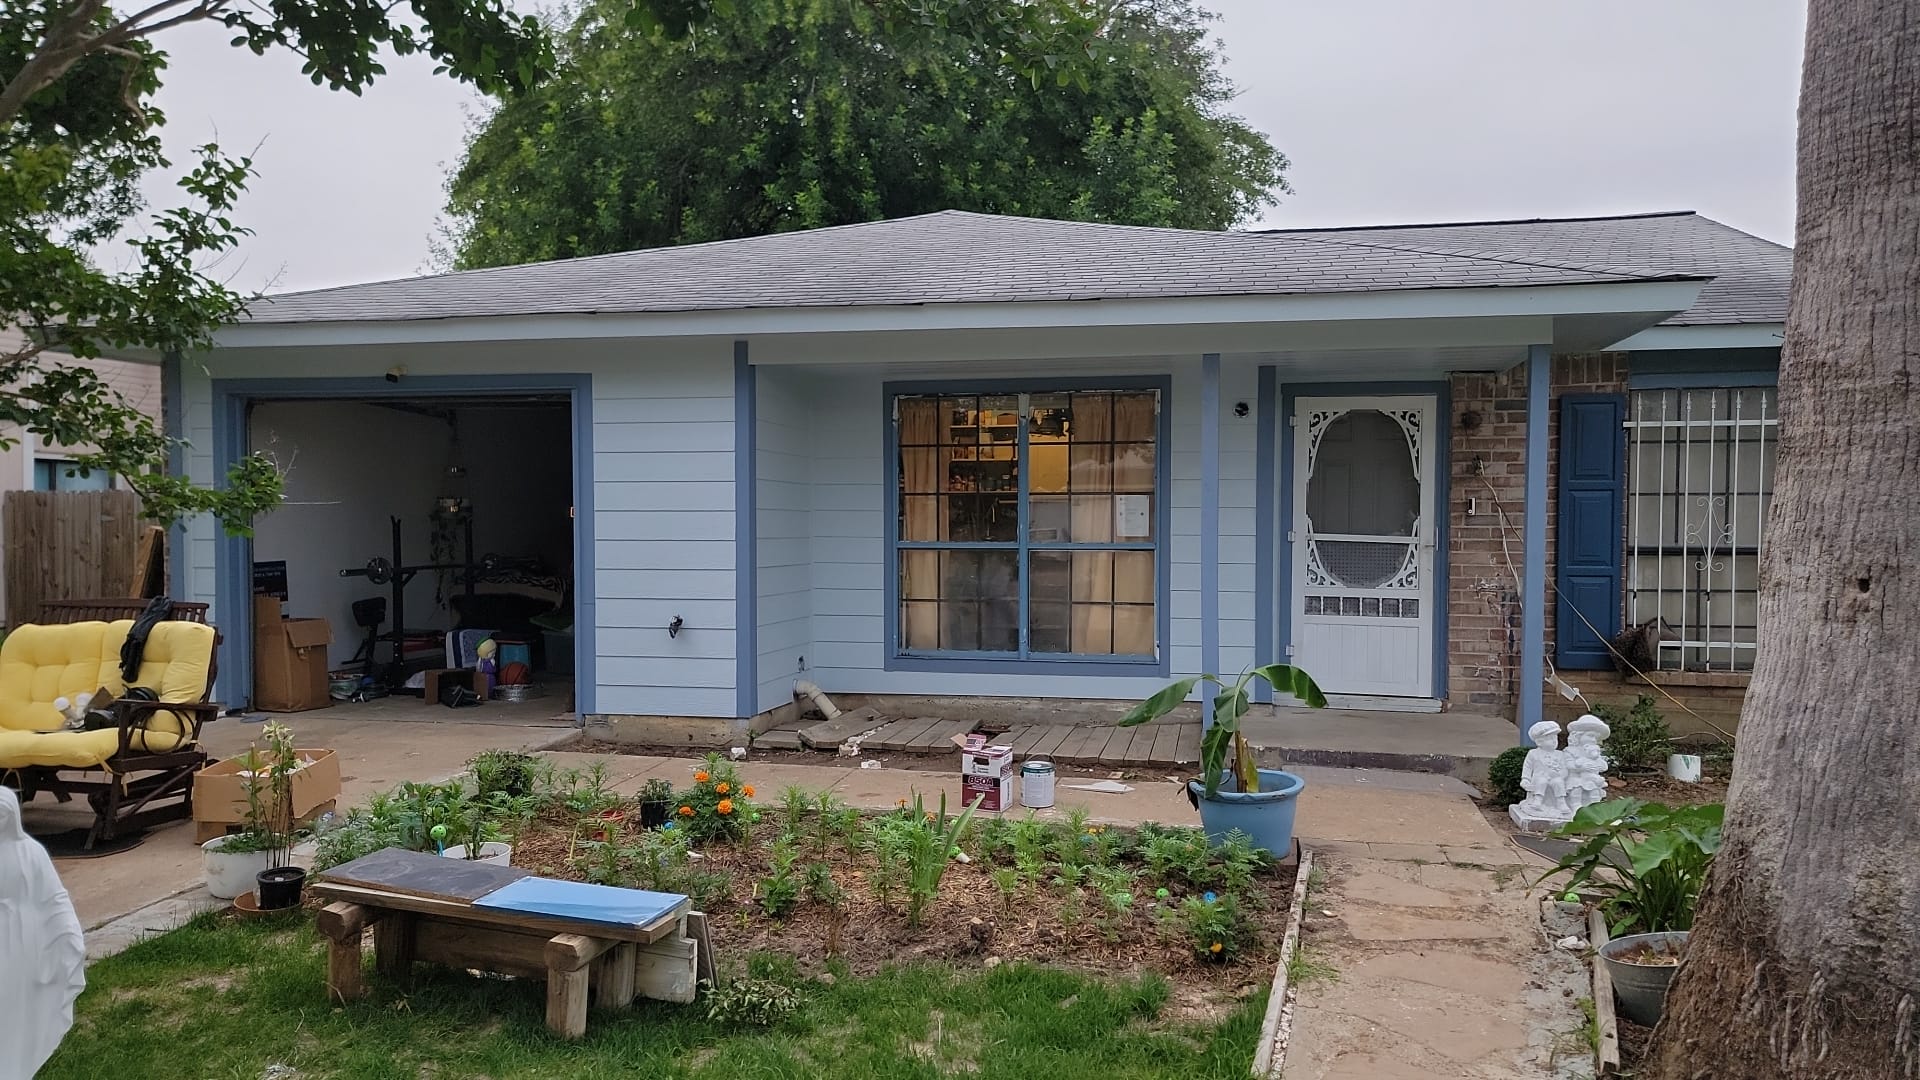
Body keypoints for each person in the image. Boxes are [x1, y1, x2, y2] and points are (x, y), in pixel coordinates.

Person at [0, 787, 87, 1079]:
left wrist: (66, 932)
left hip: (24, 944)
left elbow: (55, 897)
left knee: (17, 1004)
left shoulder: (29, 853)